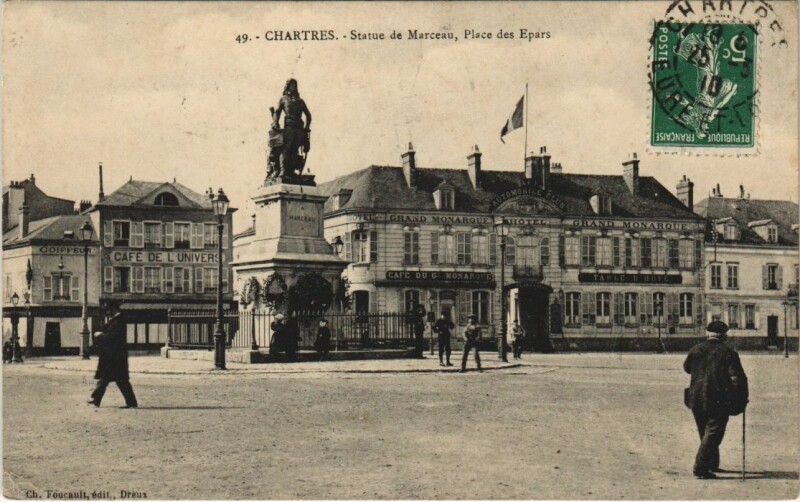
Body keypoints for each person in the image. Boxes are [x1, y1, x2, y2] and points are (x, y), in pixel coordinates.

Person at [683, 319, 749, 479]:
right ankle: (700, 468)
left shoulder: (696, 349)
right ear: (724, 336)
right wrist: (742, 397)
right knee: (713, 432)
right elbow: (737, 378)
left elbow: (687, 368)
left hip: (696, 397)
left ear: (708, 334)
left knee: (704, 431)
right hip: (718, 399)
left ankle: (712, 463)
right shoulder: (728, 353)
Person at [88, 301, 138, 408]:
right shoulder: (117, 319)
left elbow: (113, 337)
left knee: (114, 380)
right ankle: (96, 399)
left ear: (113, 310)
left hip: (115, 357)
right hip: (113, 356)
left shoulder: (118, 321)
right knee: (109, 379)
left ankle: (131, 403)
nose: (108, 312)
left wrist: (100, 334)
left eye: (109, 310)